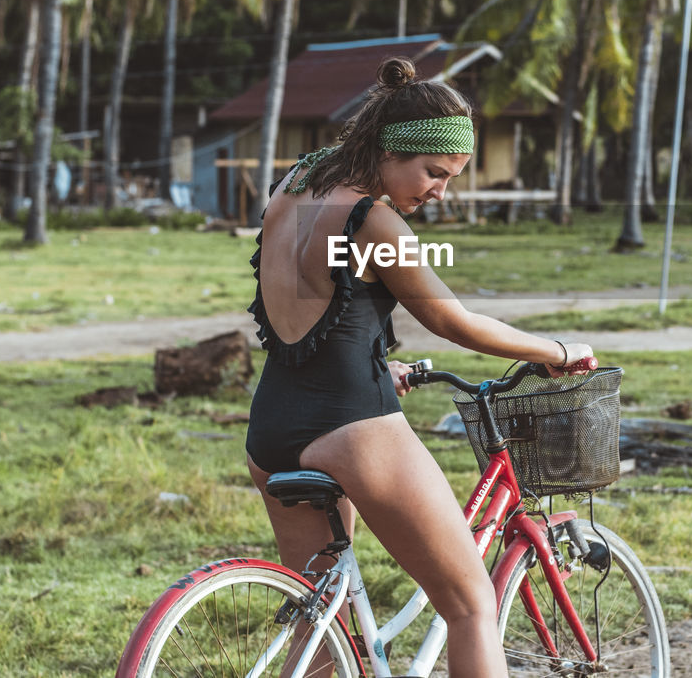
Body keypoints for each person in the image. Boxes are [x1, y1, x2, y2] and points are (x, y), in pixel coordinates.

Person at [245, 56, 595, 677]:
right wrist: (557, 350)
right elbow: (452, 322)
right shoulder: (372, 218)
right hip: (352, 426)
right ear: (389, 150)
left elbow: (315, 303)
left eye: (452, 176)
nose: (439, 191)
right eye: (433, 172)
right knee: (470, 605)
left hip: (272, 426)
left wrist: (384, 363)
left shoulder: (292, 187)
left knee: (319, 621)